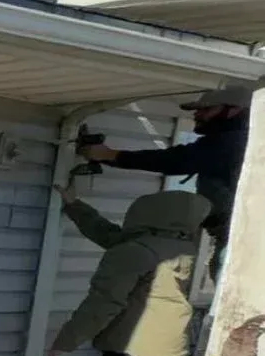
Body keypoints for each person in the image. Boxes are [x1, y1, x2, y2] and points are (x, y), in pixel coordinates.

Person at [49, 187, 211, 356]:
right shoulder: (187, 250)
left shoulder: (135, 251)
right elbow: (110, 236)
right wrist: (75, 206)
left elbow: (103, 302)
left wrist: (65, 342)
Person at [78, 84, 252, 261]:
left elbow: (176, 160)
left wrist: (110, 155)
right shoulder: (241, 141)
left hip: (239, 239)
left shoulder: (233, 142)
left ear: (234, 110)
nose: (197, 115)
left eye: (206, 109)